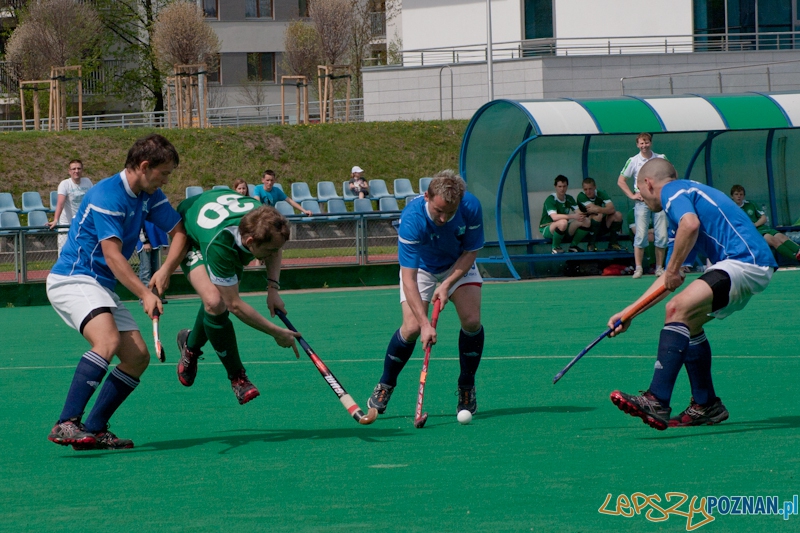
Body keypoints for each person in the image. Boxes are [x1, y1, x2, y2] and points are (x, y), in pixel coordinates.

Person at [607, 159, 777, 431]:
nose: (640, 196)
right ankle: (706, 404)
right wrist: (630, 313)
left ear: (648, 183)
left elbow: (691, 225)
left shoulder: (674, 193)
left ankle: (656, 399)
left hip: (745, 261)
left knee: (677, 309)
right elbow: (669, 279)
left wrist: (673, 268)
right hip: (747, 265)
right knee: (687, 320)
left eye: (639, 188)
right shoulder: (684, 199)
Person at [45, 134, 189, 450]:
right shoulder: (107, 195)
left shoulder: (149, 194)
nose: (166, 180)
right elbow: (113, 256)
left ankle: (93, 429)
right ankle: (66, 423)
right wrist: (144, 293)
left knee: (137, 357)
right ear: (144, 166)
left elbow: (179, 233)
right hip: (73, 279)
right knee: (107, 340)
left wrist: (164, 271)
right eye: (163, 173)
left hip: (101, 286)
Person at [367, 170, 485, 416]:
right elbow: (408, 278)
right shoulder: (412, 218)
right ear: (427, 197)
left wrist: (447, 283)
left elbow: (471, 251)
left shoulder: (471, 206)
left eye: (450, 213)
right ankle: (386, 383)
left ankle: (466, 385)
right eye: (438, 211)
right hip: (421, 267)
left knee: (472, 321)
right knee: (410, 327)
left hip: (457, 263)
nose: (443, 218)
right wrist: (424, 324)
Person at [175, 189, 301, 405]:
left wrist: (273, 289)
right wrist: (276, 333)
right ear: (250, 241)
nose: (273, 253)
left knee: (216, 300)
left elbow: (276, 245)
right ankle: (237, 378)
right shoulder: (221, 245)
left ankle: (190, 345)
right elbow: (234, 305)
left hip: (218, 218)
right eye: (268, 250)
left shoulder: (267, 220)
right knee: (216, 301)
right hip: (188, 231)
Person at [618, 133, 668, 278]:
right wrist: (632, 195)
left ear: (650, 143)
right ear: (637, 145)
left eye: (646, 142)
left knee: (662, 235)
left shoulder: (661, 158)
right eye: (641, 143)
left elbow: (671, 175)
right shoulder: (633, 160)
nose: (644, 145)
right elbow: (621, 180)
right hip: (642, 202)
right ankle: (638, 268)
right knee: (640, 235)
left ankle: (659, 268)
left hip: (658, 202)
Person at [731, 184, 800, 263]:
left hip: (761, 228)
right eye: (736, 194)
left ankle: (798, 250)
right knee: (772, 239)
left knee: (781, 236)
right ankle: (796, 257)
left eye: (741, 194)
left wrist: (755, 225)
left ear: (744, 196)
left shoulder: (751, 204)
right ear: (732, 196)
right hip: (752, 233)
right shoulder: (731, 209)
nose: (739, 197)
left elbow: (763, 218)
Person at [48, 159, 93, 254]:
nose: (76, 171)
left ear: (82, 170)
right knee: (64, 251)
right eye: (74, 169)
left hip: (82, 223)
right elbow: (60, 203)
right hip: (67, 224)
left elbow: (92, 200)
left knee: (83, 252)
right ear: (69, 171)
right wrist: (56, 220)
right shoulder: (65, 184)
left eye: (79, 168)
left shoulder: (87, 182)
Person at [539, 175, 591, 254]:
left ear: (567, 187)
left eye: (564, 186)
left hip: (563, 227)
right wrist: (573, 216)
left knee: (586, 221)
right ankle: (555, 247)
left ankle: (573, 246)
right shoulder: (551, 199)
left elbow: (579, 212)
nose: (562, 189)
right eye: (559, 186)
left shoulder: (569, 198)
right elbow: (554, 217)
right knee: (563, 222)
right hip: (548, 228)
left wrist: (587, 212)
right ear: (555, 187)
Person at [577, 177, 624, 252]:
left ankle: (613, 243)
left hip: (601, 225)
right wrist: (605, 210)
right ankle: (591, 244)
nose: (588, 192)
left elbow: (612, 208)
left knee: (618, 215)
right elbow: (592, 209)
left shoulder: (601, 193)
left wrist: (599, 209)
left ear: (595, 187)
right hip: (587, 228)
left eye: (590, 189)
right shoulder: (581, 196)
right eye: (585, 189)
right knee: (598, 215)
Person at [136, 220, 170, 286]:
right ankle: (145, 294)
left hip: (155, 242)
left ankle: (154, 292)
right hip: (144, 244)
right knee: (146, 271)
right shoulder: (142, 211)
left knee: (155, 270)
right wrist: (145, 242)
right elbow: (139, 225)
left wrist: (163, 241)